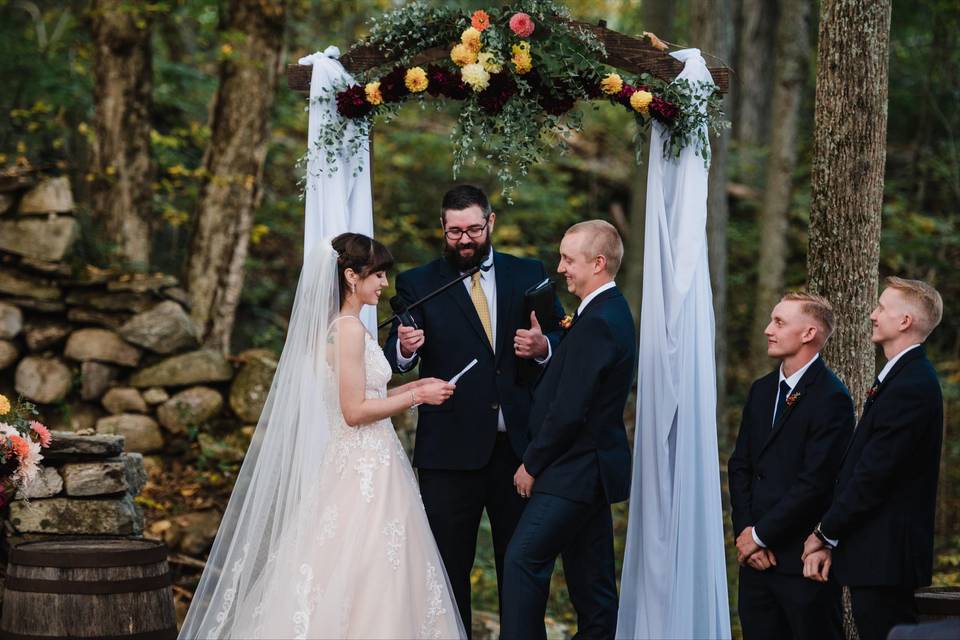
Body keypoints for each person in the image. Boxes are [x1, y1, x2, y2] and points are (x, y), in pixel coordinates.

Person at [178, 233, 466, 639]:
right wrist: (417, 394)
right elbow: (353, 413)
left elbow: (371, 395)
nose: (384, 283)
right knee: (362, 570)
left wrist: (418, 389)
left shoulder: (349, 328)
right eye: (377, 274)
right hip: (362, 468)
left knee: (378, 571)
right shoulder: (345, 331)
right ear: (351, 276)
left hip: (375, 465)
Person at [384, 185, 565, 633]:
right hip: (448, 454)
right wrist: (405, 350)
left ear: (491, 222)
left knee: (521, 570)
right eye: (454, 232)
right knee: (446, 572)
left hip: (519, 452)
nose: (465, 240)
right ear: (442, 229)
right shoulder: (417, 283)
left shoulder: (529, 273)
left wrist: (544, 346)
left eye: (473, 229)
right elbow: (393, 355)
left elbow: (564, 336)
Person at [501, 220, 636, 640]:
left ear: (598, 263)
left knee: (522, 560)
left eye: (567, 259)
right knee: (592, 586)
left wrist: (532, 463)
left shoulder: (598, 320)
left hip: (571, 469)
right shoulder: (603, 312)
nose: (560, 268)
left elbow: (570, 408)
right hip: (589, 470)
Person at [802, 277, 944, 640]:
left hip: (887, 559)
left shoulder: (911, 385)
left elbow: (873, 474)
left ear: (905, 322)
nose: (872, 314)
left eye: (881, 308)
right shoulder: (900, 378)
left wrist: (825, 533)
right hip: (875, 555)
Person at [728, 292, 853, 639]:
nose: (768, 329)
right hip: (754, 563)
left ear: (808, 333)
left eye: (779, 322)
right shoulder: (762, 390)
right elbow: (740, 465)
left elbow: (815, 483)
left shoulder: (832, 398)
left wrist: (761, 535)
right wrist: (746, 534)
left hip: (801, 562)